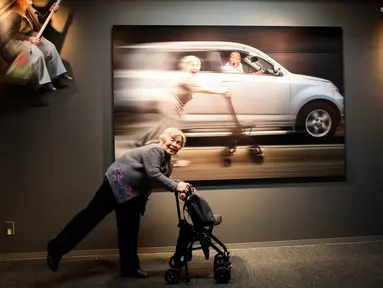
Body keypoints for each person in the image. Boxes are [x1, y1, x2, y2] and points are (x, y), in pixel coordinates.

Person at [46, 128, 192, 278]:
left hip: (132, 193)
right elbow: (153, 174)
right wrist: (175, 186)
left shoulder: (168, 163)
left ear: (181, 147)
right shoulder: (155, 150)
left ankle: (129, 268)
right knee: (89, 218)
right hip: (116, 183)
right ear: (163, 139)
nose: (174, 144)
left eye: (179, 142)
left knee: (130, 230)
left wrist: (179, 186)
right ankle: (56, 248)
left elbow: (157, 180)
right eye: (172, 139)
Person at [127, 55, 232, 166]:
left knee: (161, 127)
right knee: (173, 133)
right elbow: (201, 89)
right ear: (185, 66)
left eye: (198, 65)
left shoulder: (190, 77)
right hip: (171, 104)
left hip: (170, 104)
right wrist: (221, 91)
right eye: (192, 65)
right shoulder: (187, 77)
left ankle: (139, 142)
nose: (195, 67)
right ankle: (173, 159)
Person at [0, 0, 72, 91]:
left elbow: (41, 20)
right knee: (37, 55)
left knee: (50, 47)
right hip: (16, 40)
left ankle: (58, 72)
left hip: (30, 34)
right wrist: (29, 39)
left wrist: (51, 11)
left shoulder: (28, 9)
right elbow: (11, 35)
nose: (30, 1)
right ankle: (44, 82)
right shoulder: (13, 15)